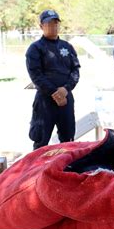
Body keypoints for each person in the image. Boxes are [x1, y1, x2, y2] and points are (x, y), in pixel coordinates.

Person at [26, 9, 80, 149]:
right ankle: (37, 170)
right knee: (41, 141)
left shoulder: (67, 47)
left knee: (68, 140)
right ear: (41, 26)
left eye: (55, 23)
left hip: (66, 99)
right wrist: (54, 93)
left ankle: (65, 168)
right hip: (45, 101)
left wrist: (65, 89)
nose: (53, 26)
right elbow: (36, 75)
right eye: (49, 23)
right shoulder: (35, 48)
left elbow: (75, 71)